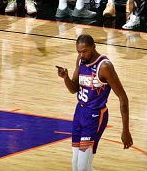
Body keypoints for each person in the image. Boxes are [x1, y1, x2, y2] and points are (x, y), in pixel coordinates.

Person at [56, 34, 132, 171]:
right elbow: (74, 89)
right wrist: (66, 78)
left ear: (94, 47)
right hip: (79, 112)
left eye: (84, 51)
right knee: (76, 167)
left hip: (95, 116)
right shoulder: (80, 60)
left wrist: (125, 130)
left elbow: (123, 98)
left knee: (81, 168)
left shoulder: (104, 67)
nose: (81, 55)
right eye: (79, 51)